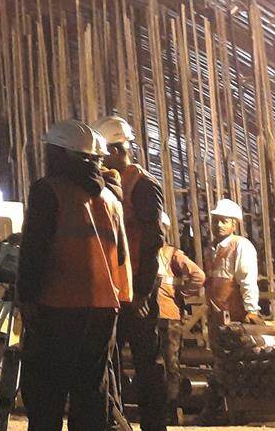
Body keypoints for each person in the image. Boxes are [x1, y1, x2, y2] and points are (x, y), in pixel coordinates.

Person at [19, 119, 133, 431]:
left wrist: (26, 298)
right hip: (103, 309)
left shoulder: (48, 191)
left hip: (58, 306)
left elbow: (34, 251)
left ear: (63, 154)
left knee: (46, 392)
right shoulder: (111, 199)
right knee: (91, 392)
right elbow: (121, 256)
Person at [95, 115, 167, 431]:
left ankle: (154, 425)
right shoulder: (107, 183)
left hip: (137, 287)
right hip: (115, 287)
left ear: (116, 149)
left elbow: (153, 241)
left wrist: (143, 292)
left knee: (146, 361)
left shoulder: (143, 185)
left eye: (102, 153)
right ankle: (117, 422)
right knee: (109, 361)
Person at [156, 212, 204, 422]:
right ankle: (161, 410)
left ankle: (172, 411)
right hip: (154, 316)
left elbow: (198, 276)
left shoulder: (172, 254)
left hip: (168, 317)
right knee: (159, 365)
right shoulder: (145, 254)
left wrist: (181, 293)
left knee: (170, 364)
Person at [205, 199, 260, 325]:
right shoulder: (211, 249)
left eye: (224, 221)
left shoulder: (241, 246)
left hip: (237, 315)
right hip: (217, 315)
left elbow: (247, 280)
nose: (219, 225)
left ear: (234, 225)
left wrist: (251, 310)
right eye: (215, 221)